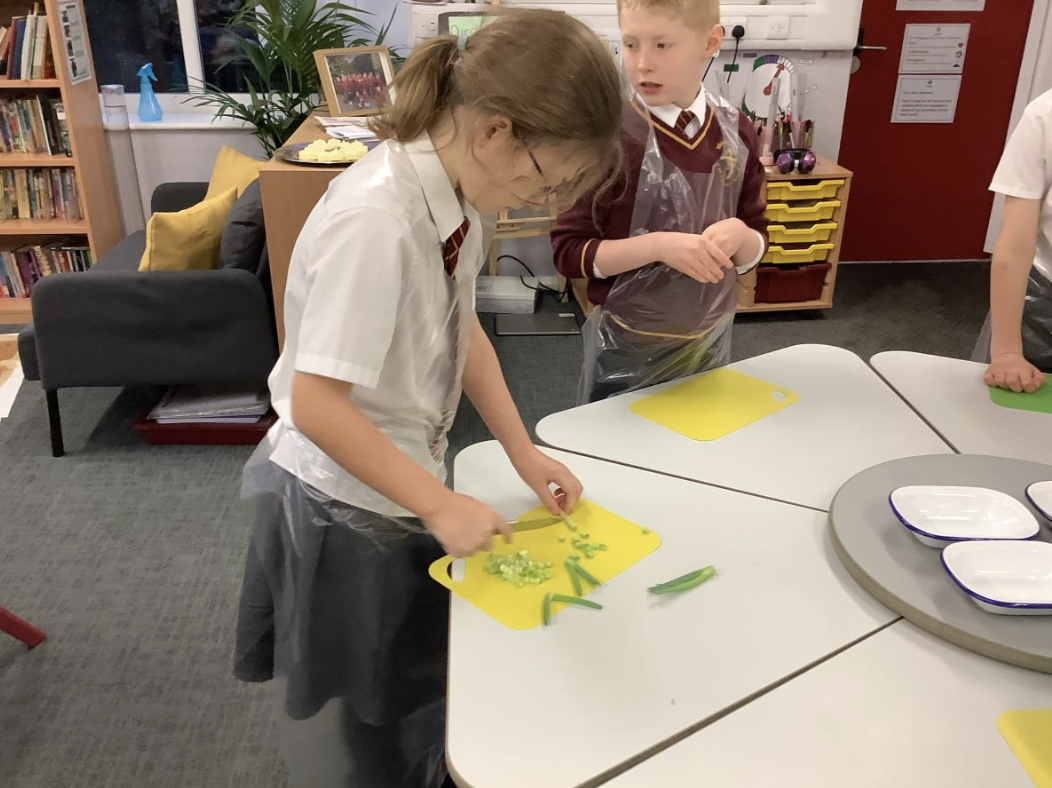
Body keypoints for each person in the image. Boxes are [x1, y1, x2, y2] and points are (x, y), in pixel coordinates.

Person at [233, 9, 623, 788]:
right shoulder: (378, 221)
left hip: (396, 472)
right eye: (548, 177)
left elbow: (460, 327)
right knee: (368, 692)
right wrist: (439, 505)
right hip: (340, 497)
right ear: (495, 132)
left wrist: (522, 449)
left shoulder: (456, 200)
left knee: (404, 676)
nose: (546, 198)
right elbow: (317, 404)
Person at [551, 0, 768, 404]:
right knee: (620, 438)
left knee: (698, 433)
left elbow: (756, 241)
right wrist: (657, 246)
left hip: (709, 338)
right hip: (627, 343)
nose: (642, 64)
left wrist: (741, 235)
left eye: (662, 45)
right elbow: (569, 253)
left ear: (710, 42)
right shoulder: (607, 136)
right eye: (631, 44)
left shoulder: (736, 131)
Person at [973, 87, 1052, 393]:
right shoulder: (1044, 115)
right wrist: (1007, 353)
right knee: (1012, 403)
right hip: (1043, 300)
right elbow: (1015, 245)